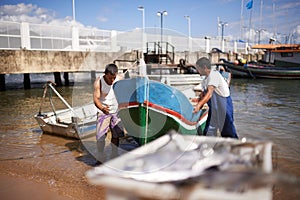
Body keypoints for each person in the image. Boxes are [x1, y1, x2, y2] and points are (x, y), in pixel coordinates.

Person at [193, 57, 238, 139]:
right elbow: (204, 93)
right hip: (214, 107)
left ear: (205, 68)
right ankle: (210, 148)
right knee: (209, 131)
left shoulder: (214, 75)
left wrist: (199, 105)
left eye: (198, 69)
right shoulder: (206, 79)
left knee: (228, 132)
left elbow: (209, 93)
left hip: (224, 105)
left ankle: (236, 148)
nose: (197, 71)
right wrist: (198, 100)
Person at [93, 63, 125, 159]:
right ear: (105, 74)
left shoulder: (119, 79)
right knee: (100, 135)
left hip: (116, 110)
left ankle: (114, 153)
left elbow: (124, 93)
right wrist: (102, 108)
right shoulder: (99, 82)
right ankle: (100, 154)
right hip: (103, 110)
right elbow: (96, 99)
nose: (112, 80)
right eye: (110, 78)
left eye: (113, 78)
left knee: (116, 134)